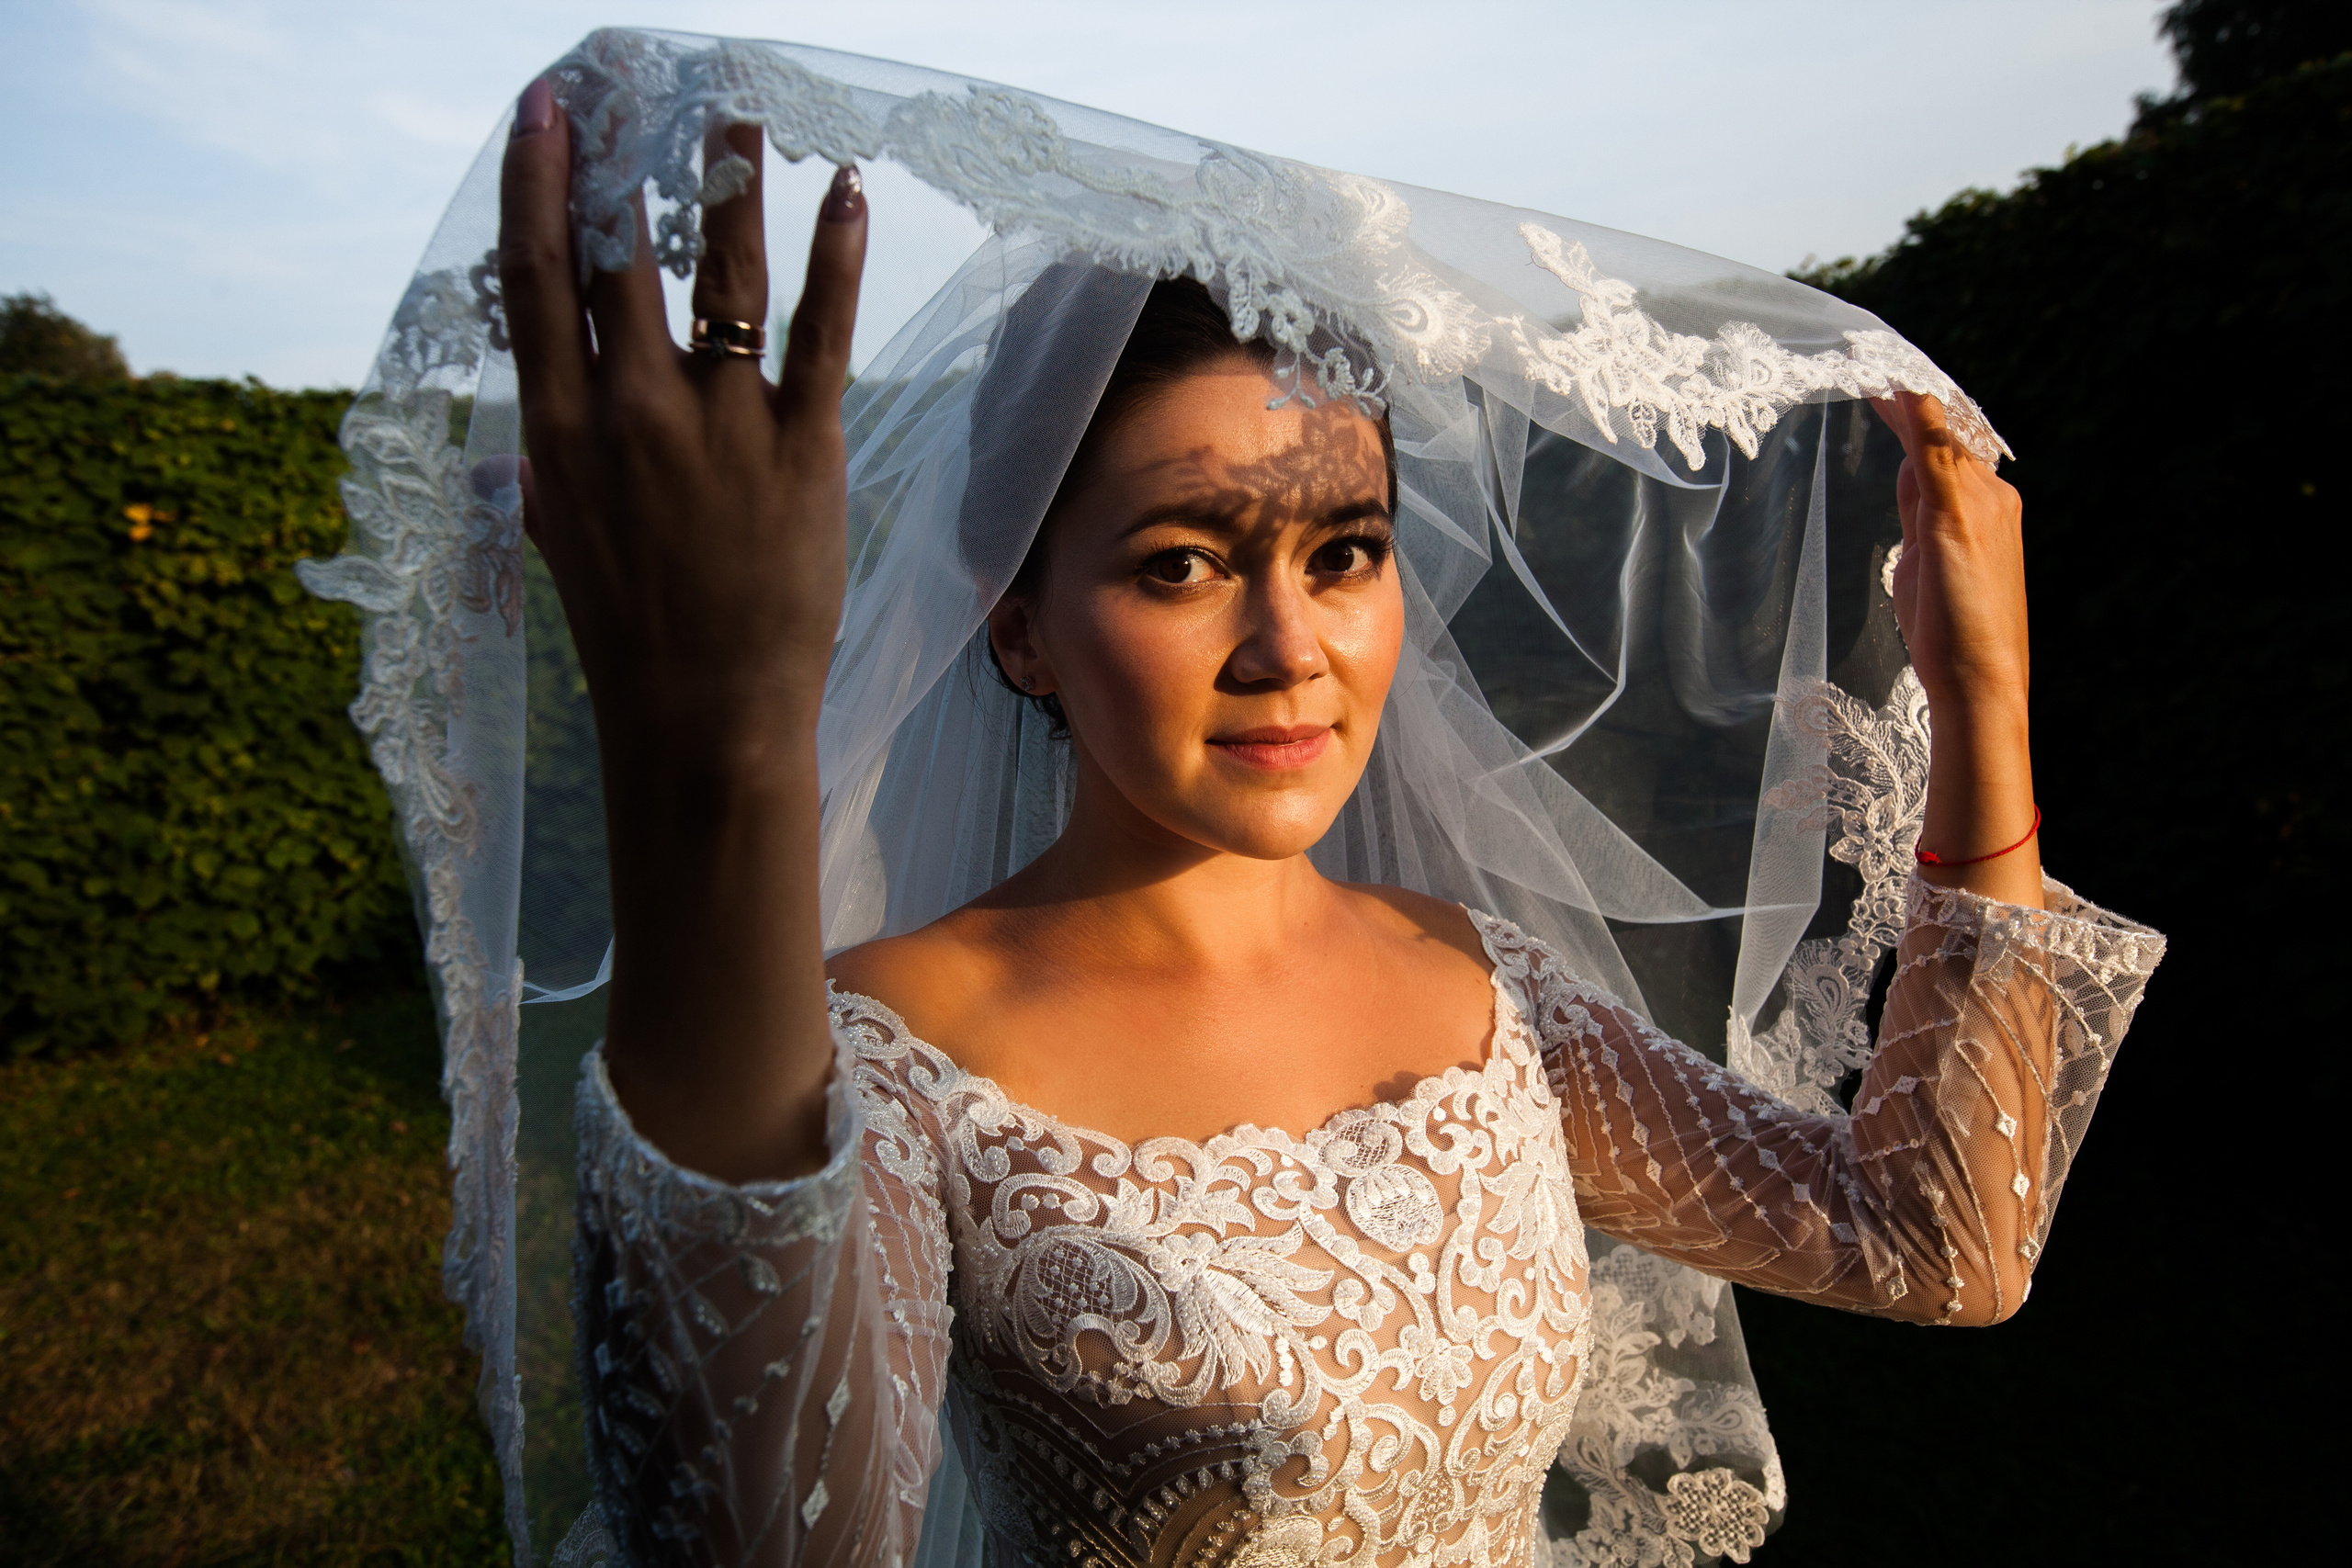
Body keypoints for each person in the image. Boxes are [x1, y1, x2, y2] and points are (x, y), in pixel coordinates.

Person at [306, 30, 2165, 1568]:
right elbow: (759, 1538)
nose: (1291, 643)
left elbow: (1930, 1242)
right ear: (1017, 621)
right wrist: (708, 754)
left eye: (1344, 547)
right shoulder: (890, 1049)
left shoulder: (1476, 982)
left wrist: (1980, 702)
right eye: (1184, 558)